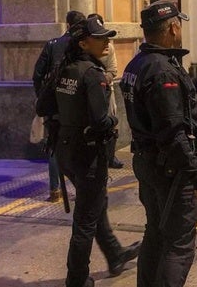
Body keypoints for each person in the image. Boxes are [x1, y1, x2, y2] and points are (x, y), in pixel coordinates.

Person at [119, 0, 197, 287]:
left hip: (148, 163)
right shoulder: (163, 71)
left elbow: (162, 106)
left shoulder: (138, 64)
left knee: (156, 233)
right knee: (178, 244)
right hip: (171, 171)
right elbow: (173, 133)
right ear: (173, 28)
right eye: (181, 24)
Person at [54, 17, 141, 287]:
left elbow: (44, 104)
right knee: (85, 221)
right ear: (83, 43)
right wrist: (114, 123)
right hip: (88, 155)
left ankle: (115, 254)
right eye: (100, 37)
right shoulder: (93, 74)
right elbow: (102, 119)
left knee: (93, 205)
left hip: (65, 150)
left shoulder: (65, 68)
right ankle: (77, 278)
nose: (107, 41)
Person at [33, 10, 86, 202]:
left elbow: (37, 74)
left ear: (67, 24)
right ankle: (81, 187)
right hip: (77, 104)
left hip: (55, 105)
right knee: (79, 145)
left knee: (54, 146)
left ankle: (55, 190)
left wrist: (43, 98)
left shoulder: (53, 45)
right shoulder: (84, 44)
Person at [88, 13, 123, 169]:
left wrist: (102, 80)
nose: (106, 42)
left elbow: (113, 70)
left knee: (110, 124)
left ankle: (110, 156)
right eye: (100, 37)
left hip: (107, 91)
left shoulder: (109, 48)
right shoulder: (81, 66)